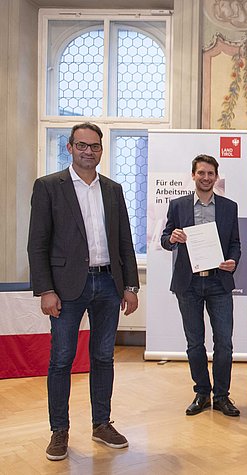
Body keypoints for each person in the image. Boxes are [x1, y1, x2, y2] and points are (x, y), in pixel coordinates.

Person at [28, 122, 140, 461]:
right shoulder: (49, 187)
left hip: (108, 284)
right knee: (61, 360)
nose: (88, 151)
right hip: (66, 288)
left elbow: (124, 241)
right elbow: (38, 244)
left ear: (102, 150)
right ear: (69, 148)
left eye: (94, 146)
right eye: (81, 145)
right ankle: (59, 430)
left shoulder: (113, 189)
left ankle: (101, 423)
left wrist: (131, 286)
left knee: (104, 357)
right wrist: (46, 289)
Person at [160, 154, 241, 418]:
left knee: (224, 343)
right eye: (201, 173)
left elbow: (235, 244)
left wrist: (233, 261)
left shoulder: (229, 207)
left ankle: (222, 396)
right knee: (194, 343)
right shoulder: (178, 205)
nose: (206, 178)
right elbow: (164, 239)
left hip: (219, 282)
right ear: (193, 175)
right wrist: (171, 238)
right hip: (189, 284)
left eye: (210, 173)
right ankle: (202, 393)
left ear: (216, 177)